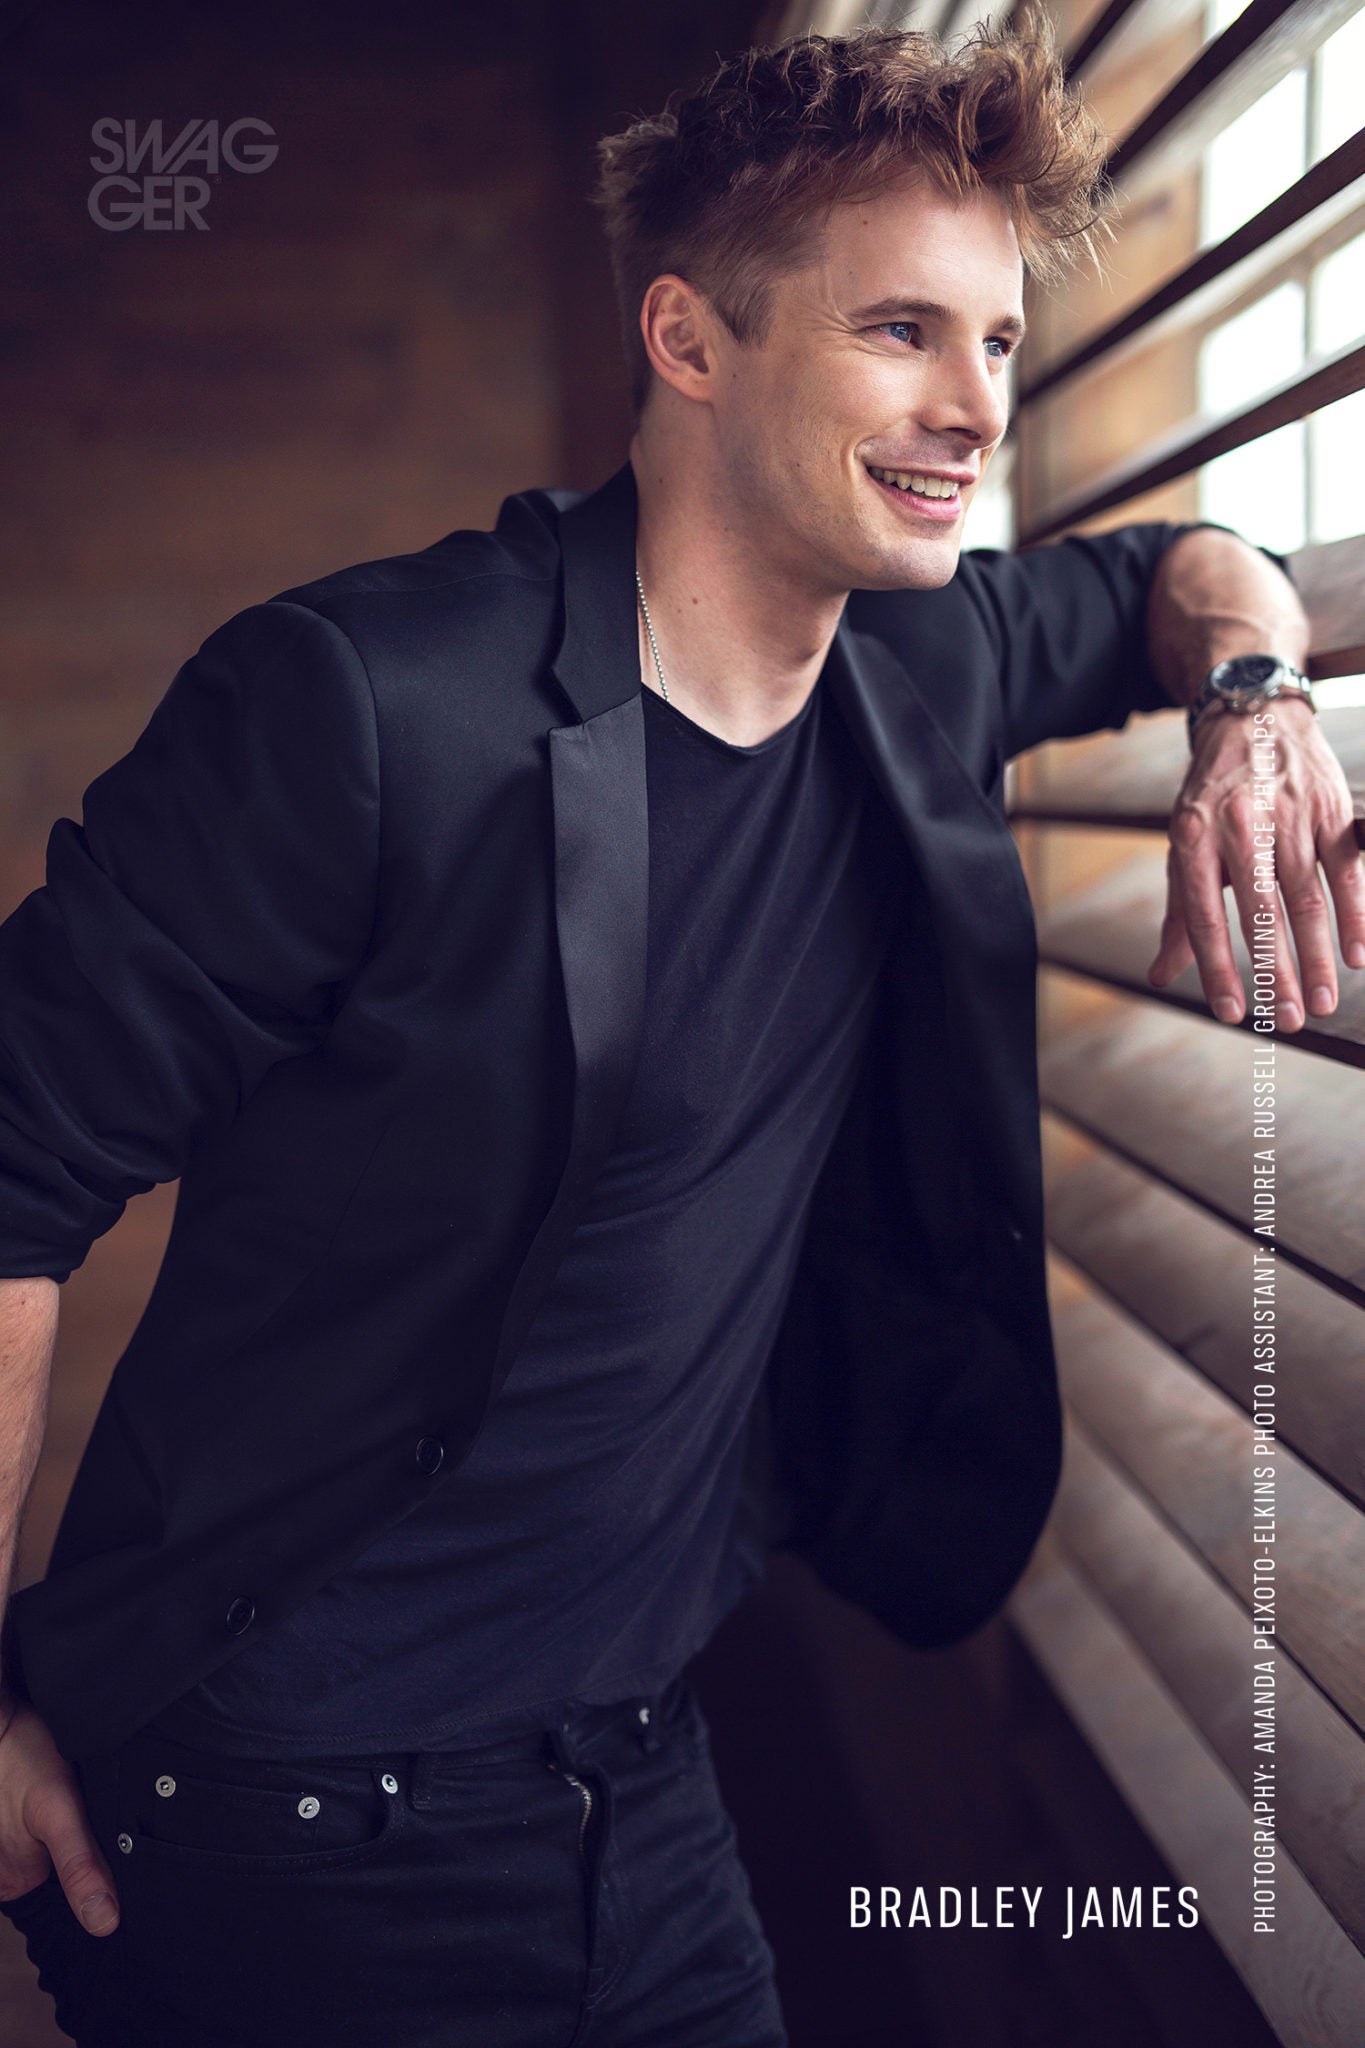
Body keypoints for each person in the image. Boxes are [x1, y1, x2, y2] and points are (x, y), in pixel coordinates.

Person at [0, 20, 1359, 2048]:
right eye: (899, 329)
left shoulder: (916, 663)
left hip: (638, 1783)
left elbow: (1185, 569)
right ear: (688, 337)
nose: (973, 404)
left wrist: (1253, 703)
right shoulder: (362, 704)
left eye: (997, 340)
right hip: (276, 1821)